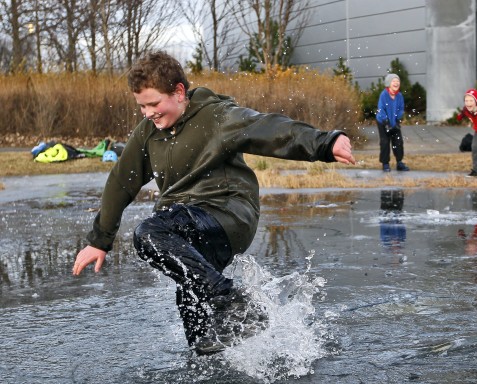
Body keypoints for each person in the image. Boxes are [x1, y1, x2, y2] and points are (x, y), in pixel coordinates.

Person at [72, 51, 355, 355]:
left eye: (154, 104)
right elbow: (120, 182)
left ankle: (235, 302)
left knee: (149, 234)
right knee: (195, 314)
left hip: (225, 213)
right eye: (141, 106)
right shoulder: (147, 134)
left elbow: (268, 128)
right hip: (185, 221)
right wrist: (99, 240)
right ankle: (244, 359)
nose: (148, 113)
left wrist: (325, 143)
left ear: (179, 92)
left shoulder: (216, 116)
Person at [375, 73, 410, 173]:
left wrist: (398, 120)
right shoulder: (384, 95)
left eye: (397, 81)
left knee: (398, 142)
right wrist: (386, 122)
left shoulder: (399, 96)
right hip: (383, 122)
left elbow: (401, 109)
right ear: (388, 83)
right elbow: (381, 109)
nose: (396, 83)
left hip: (394, 122)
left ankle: (399, 162)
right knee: (385, 142)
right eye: (394, 81)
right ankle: (385, 164)